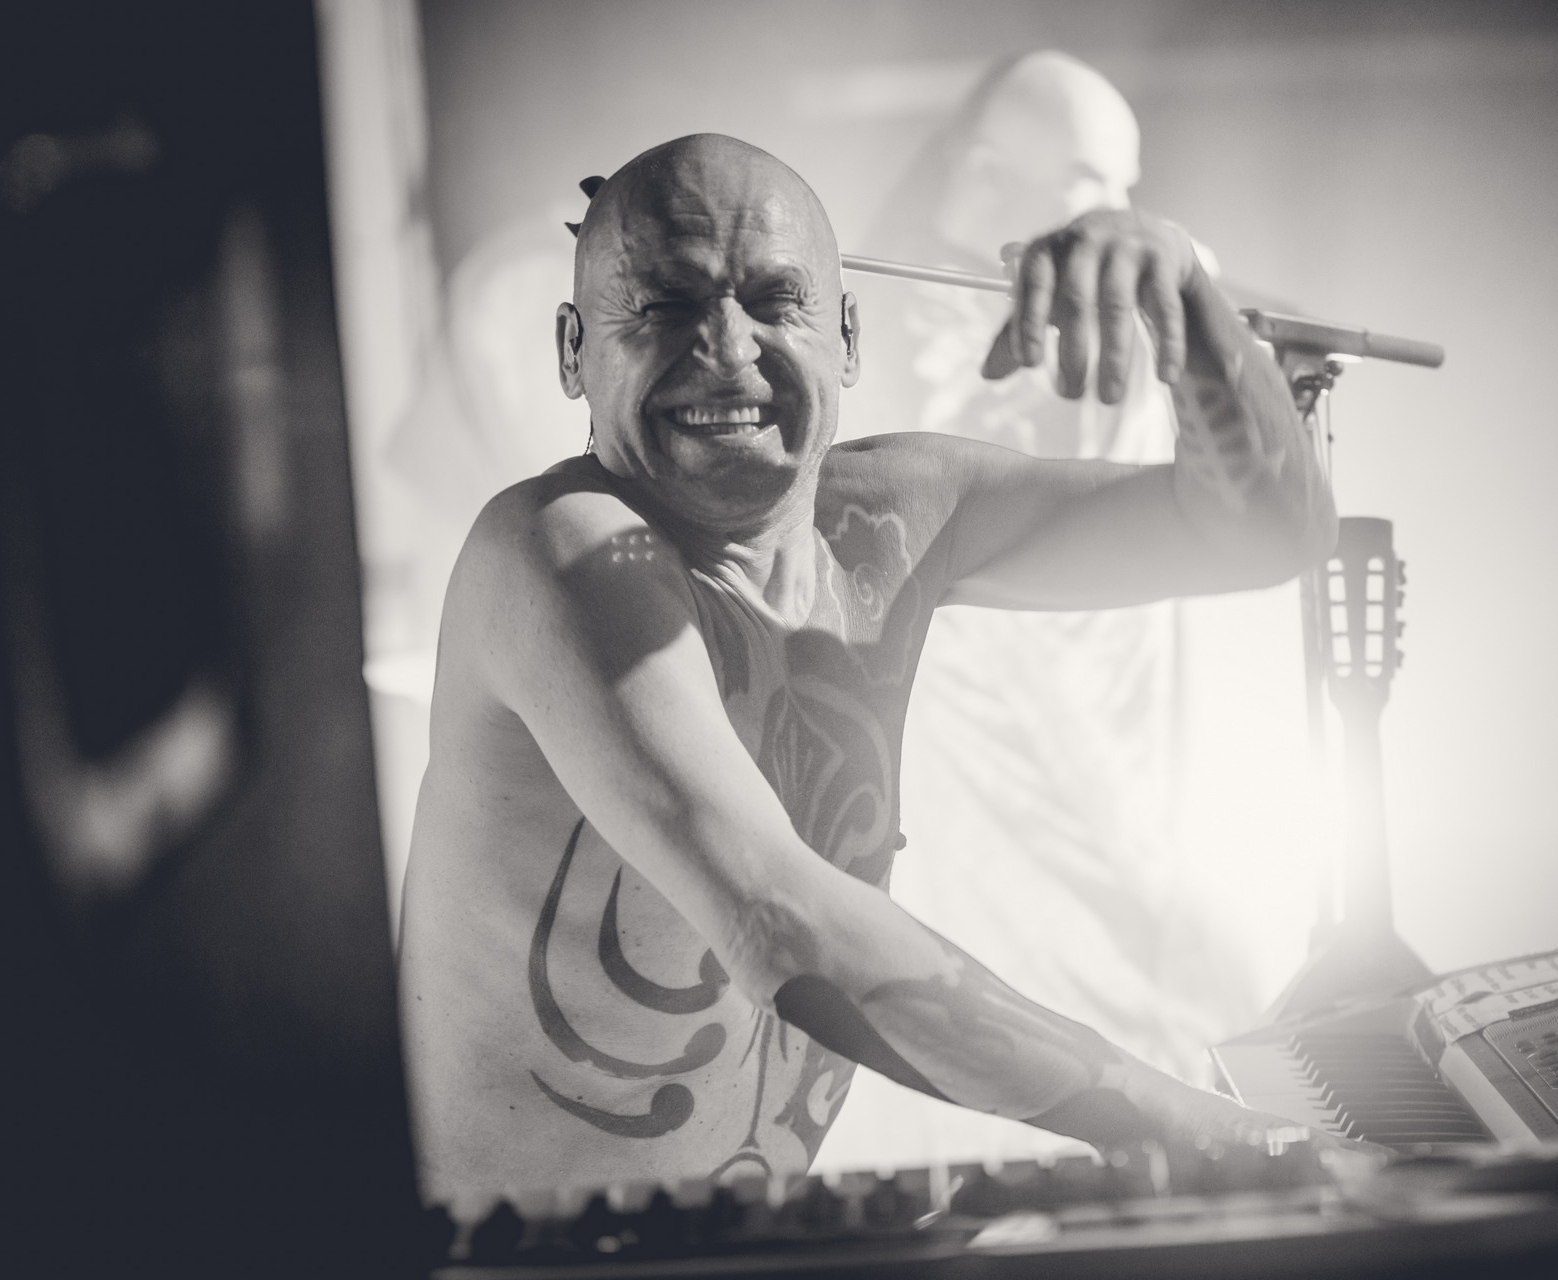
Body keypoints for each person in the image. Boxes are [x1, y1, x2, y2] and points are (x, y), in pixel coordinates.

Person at [396, 132, 1336, 1199]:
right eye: (663, 304)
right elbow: (778, 918)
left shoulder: (898, 514)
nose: (727, 347)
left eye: (774, 300)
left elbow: (1263, 532)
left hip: (751, 1241)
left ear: (847, 335)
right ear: (573, 352)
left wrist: (1190, 307)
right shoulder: (555, 550)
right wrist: (1197, 1126)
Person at [825, 55, 1310, 1177]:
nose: (1121, 209)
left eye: (1131, 187)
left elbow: (1271, 524)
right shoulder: (872, 347)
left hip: (1134, 805)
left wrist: (1193, 298)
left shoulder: (1132, 319)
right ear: (985, 174)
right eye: (1094, 178)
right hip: (973, 842)